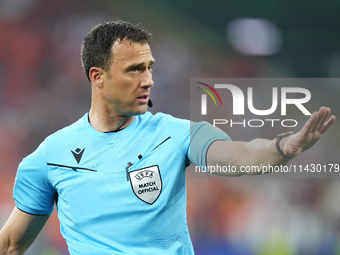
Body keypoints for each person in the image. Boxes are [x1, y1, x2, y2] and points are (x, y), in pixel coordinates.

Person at [0, 20, 335, 255]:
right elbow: (12, 244)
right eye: (134, 70)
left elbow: (243, 155)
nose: (148, 81)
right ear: (97, 77)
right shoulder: (50, 155)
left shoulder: (177, 134)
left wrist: (282, 148)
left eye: (150, 68)